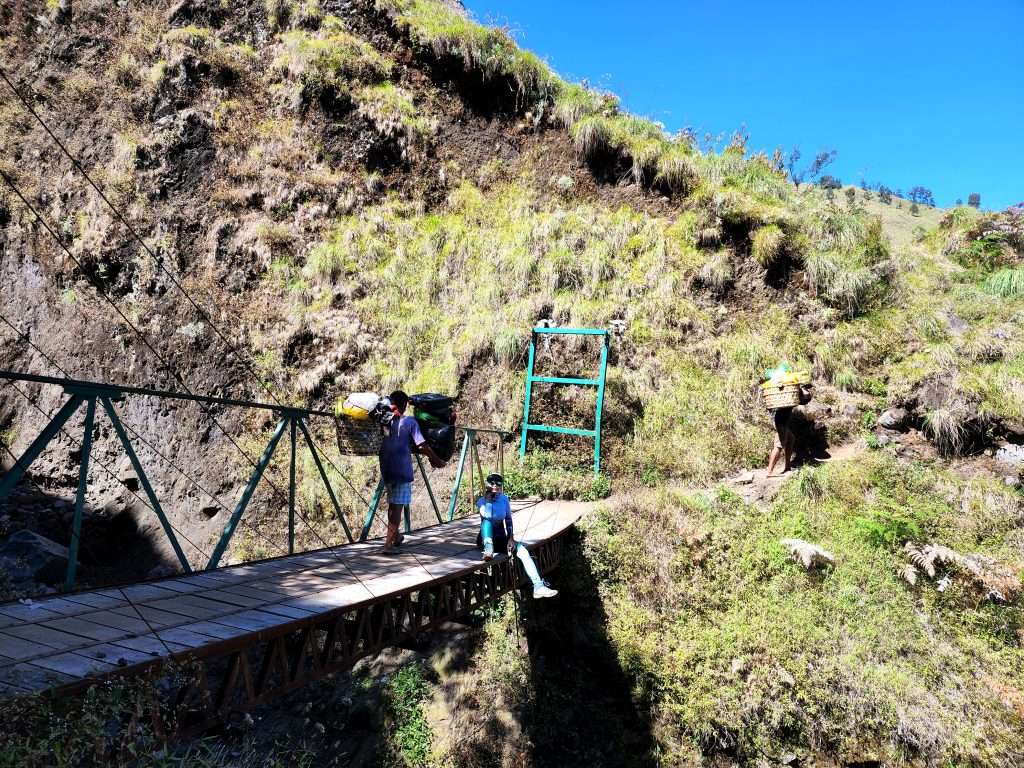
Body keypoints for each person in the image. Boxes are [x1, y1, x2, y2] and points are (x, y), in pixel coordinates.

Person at [378, 390, 446, 554]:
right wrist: (437, 460)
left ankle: (396, 536)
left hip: (386, 467)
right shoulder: (409, 422)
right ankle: (388, 546)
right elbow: (422, 446)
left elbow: (389, 439)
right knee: (397, 507)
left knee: (393, 504)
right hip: (401, 468)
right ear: (405, 405)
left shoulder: (385, 421)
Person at [476, 473, 557, 599]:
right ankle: (488, 549)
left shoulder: (504, 499)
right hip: (485, 538)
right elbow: (487, 517)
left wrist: (511, 538)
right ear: (487, 485)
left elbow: (508, 520)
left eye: (498, 484)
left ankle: (538, 586)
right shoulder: (481, 501)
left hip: (501, 539)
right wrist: (488, 501)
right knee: (487, 522)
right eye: (492, 483)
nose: (495, 486)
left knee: (523, 551)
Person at [766, 383, 812, 476]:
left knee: (791, 439)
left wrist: (803, 389)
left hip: (782, 421)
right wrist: (802, 388)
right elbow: (806, 398)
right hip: (780, 421)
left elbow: (805, 400)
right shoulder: (789, 396)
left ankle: (787, 467)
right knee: (778, 446)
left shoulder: (789, 396)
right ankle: (769, 472)